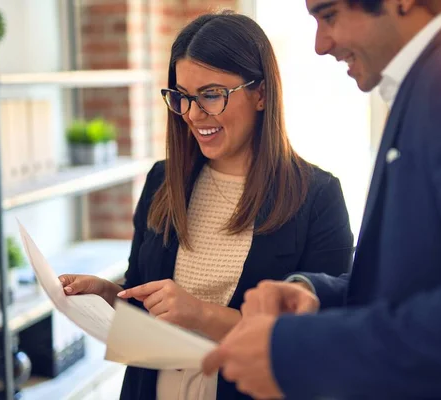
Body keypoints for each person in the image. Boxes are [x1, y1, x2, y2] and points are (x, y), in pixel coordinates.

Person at [202, 0, 441, 399]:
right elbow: (431, 275)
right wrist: (317, 295)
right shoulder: (433, 82)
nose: (320, 45)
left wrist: (305, 352)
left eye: (329, 16)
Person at [58, 10, 354, 400]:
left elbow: (322, 339)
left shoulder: (316, 196)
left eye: (212, 94)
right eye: (182, 97)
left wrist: (199, 314)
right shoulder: (163, 181)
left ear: (261, 93)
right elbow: (143, 293)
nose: (194, 115)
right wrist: (111, 296)